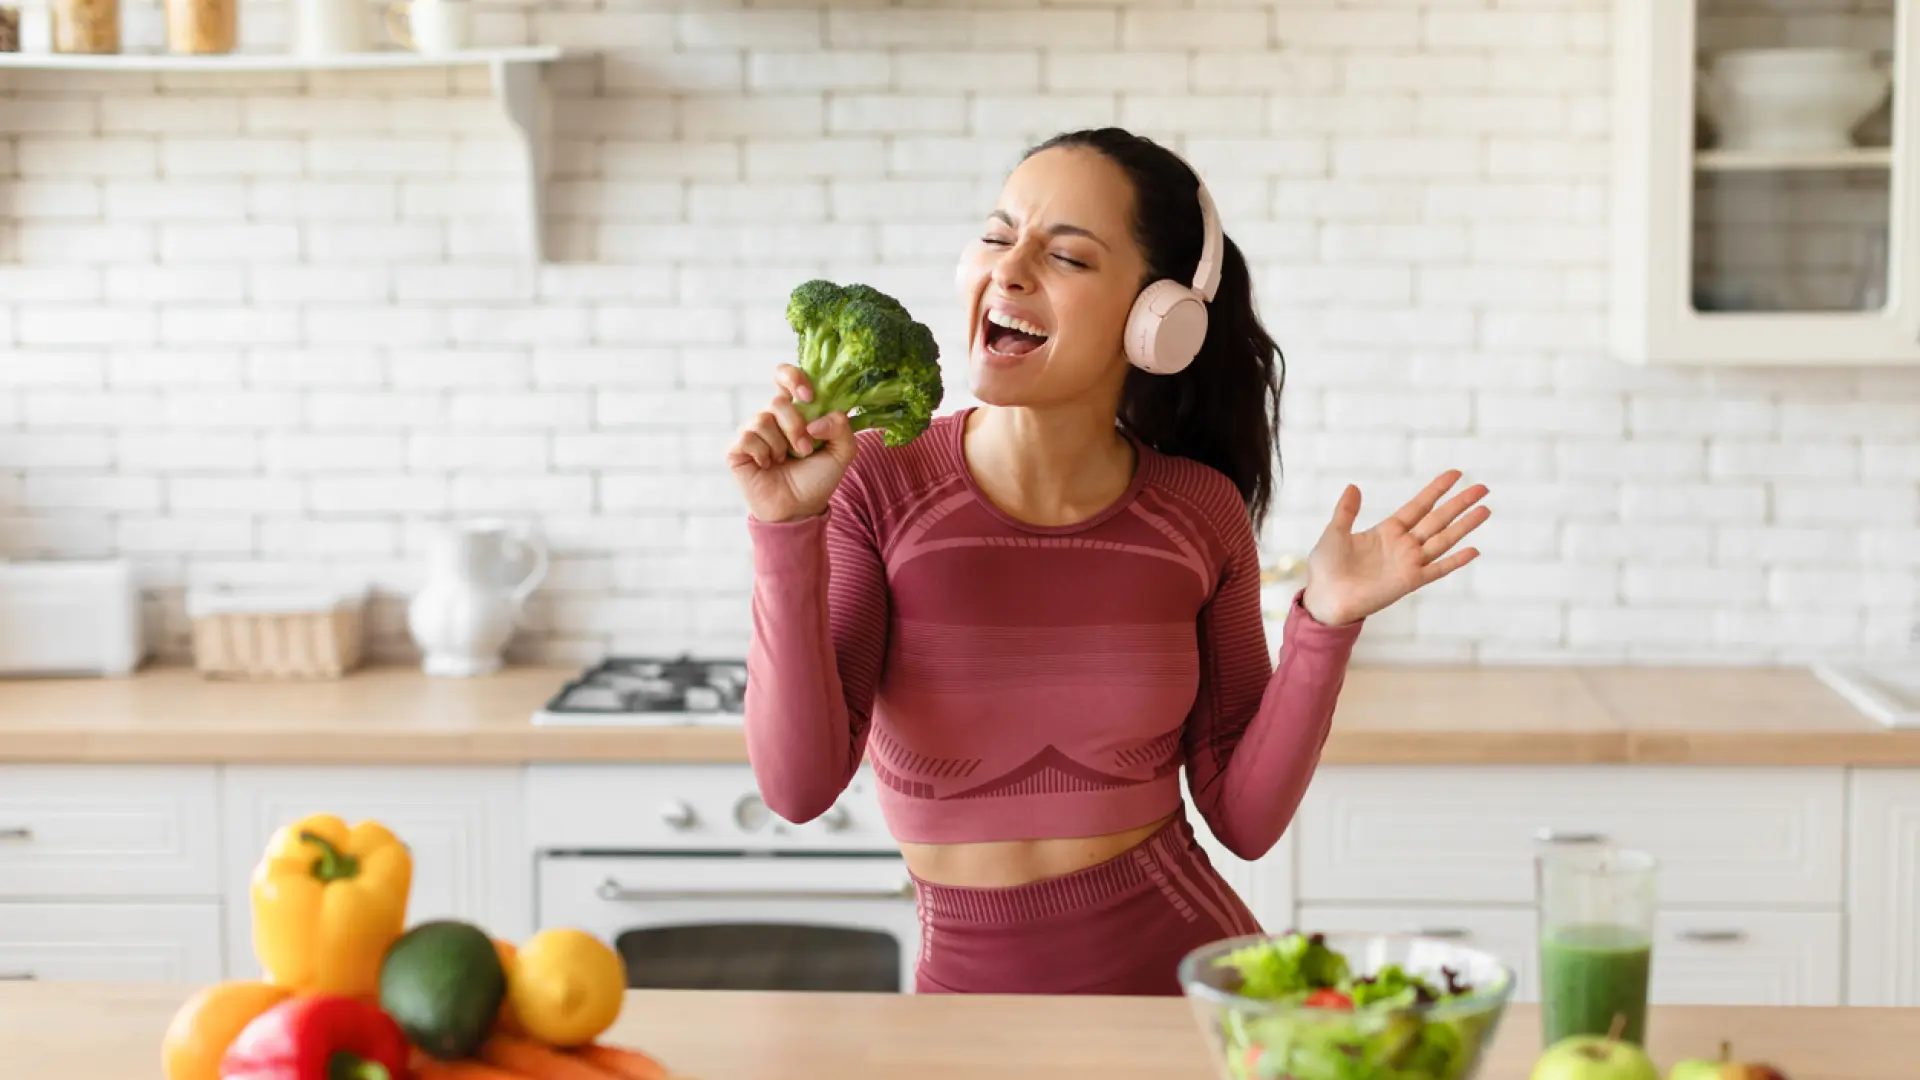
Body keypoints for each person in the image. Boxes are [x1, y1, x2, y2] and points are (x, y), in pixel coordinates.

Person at [724, 127, 1491, 996]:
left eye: (1068, 257)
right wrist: (784, 529)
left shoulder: (1197, 514)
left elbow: (1243, 821)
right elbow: (797, 787)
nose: (1010, 270)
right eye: (997, 233)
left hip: (1187, 1006)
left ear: (1156, 318)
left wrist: (1325, 622)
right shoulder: (876, 486)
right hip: (962, 1019)